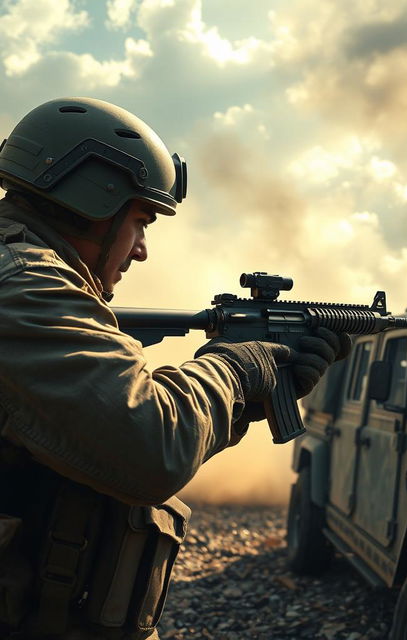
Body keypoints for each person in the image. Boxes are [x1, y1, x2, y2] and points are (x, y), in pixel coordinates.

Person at [0, 97, 351, 639]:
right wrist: (235, 370)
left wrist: (251, 401)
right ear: (95, 203)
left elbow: (88, 430)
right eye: (140, 221)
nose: (140, 251)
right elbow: (150, 444)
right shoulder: (24, 286)